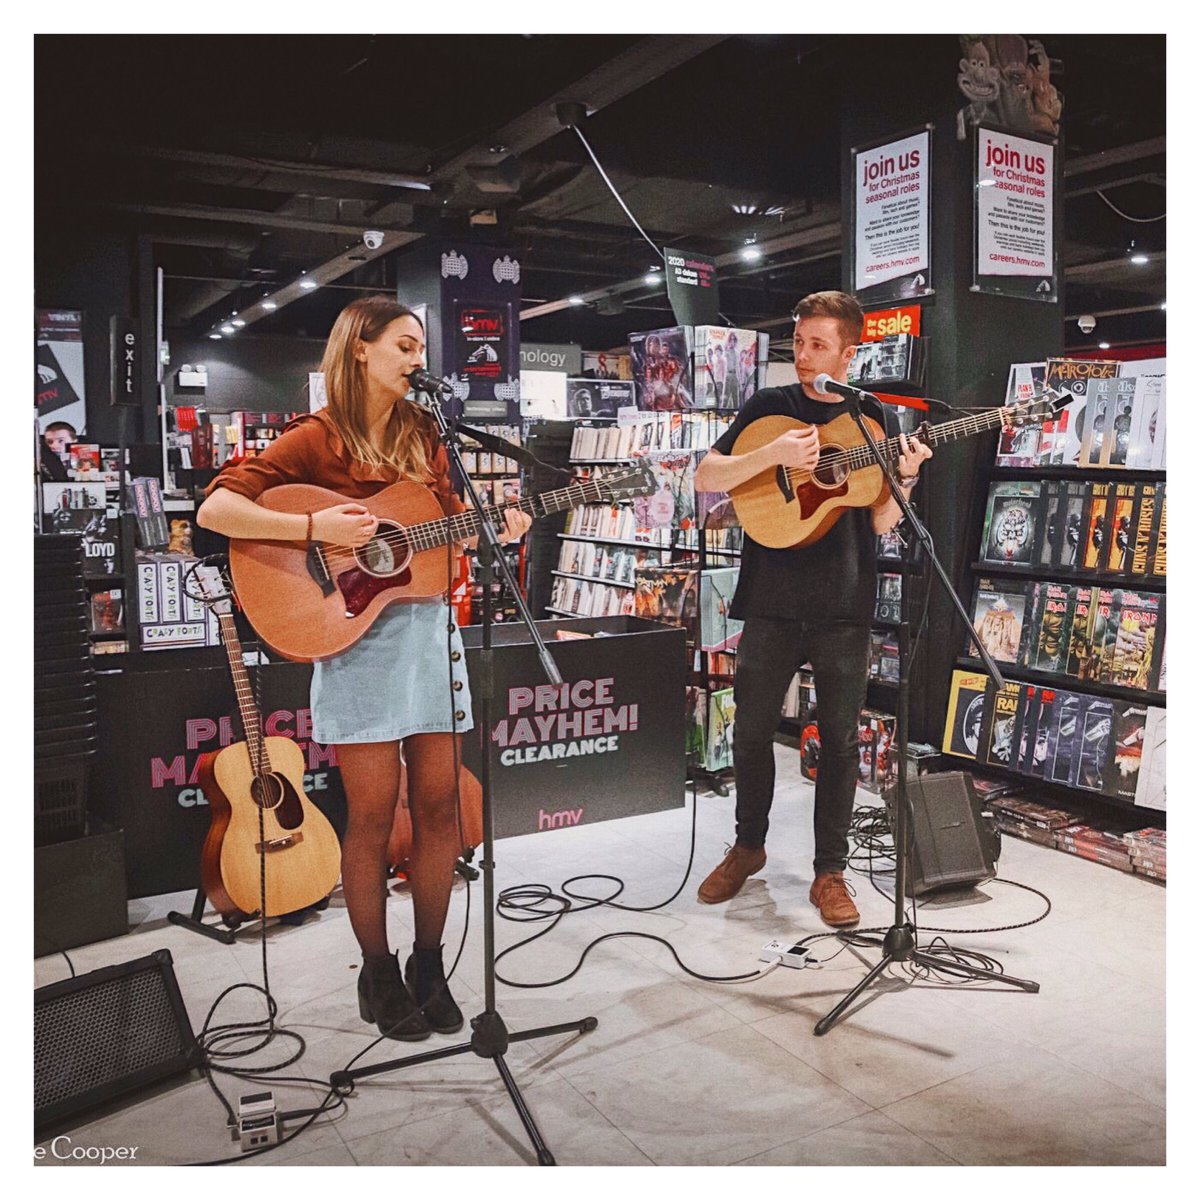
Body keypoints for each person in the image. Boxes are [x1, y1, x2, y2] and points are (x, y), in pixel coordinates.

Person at [197, 296, 531, 1040]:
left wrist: (499, 527)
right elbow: (216, 513)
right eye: (406, 345)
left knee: (442, 809)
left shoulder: (426, 436)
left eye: (422, 347)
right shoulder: (314, 439)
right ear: (360, 349)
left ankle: (430, 963)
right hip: (355, 644)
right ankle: (376, 973)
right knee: (375, 818)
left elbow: (439, 538)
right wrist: (311, 524)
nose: (419, 359)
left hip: (428, 636)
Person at [692, 291, 932, 926]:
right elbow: (706, 476)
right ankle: (748, 847)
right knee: (748, 732)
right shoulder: (771, 406)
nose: (802, 356)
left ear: (850, 353)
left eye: (817, 345)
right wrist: (773, 454)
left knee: (842, 743)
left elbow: (881, 521)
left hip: (842, 602)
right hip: (770, 599)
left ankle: (831, 871)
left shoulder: (873, 420)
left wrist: (905, 480)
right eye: (797, 343)